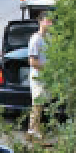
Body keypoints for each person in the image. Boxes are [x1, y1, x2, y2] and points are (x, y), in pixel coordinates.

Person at [27, 11, 52, 140]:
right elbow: (32, 61)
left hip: (46, 77)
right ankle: (32, 131)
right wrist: (47, 69)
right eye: (48, 21)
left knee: (40, 104)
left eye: (51, 21)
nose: (50, 23)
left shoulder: (49, 38)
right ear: (41, 22)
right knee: (37, 104)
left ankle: (33, 130)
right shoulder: (36, 39)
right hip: (38, 78)